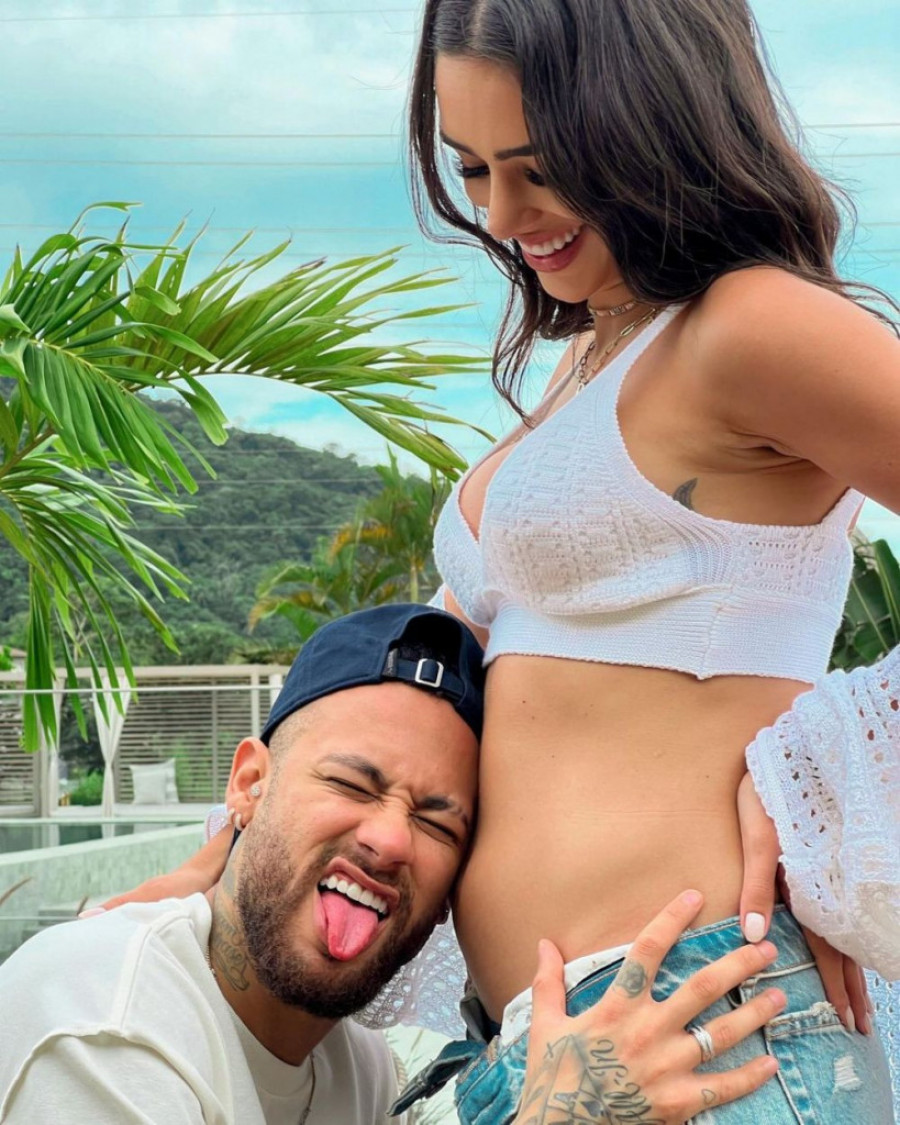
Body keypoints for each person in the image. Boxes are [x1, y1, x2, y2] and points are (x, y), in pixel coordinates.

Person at [96, 1, 900, 1120]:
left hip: (706, 1025)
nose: (501, 215)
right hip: (549, 1057)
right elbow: (437, 675)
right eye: (472, 169)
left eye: (539, 168)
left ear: (655, 124)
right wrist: (224, 862)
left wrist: (826, 776)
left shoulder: (753, 325)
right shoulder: (595, 358)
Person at [0, 606, 786, 1125]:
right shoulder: (102, 1016)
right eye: (351, 783)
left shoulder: (359, 1075)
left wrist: (786, 779)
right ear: (249, 784)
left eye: (438, 822)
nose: (390, 840)